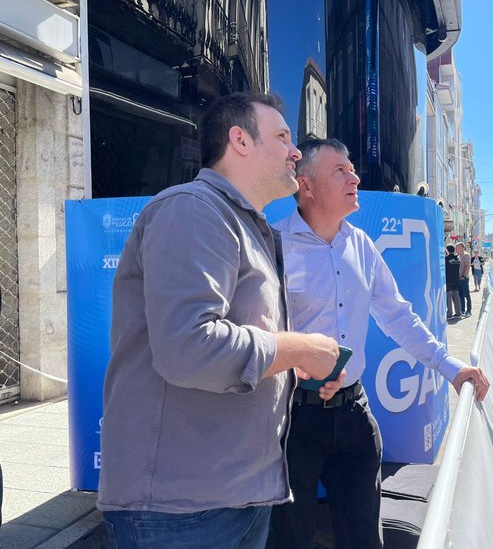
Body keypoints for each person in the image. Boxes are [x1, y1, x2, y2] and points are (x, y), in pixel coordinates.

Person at [97, 93, 342, 548]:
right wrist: (297, 348)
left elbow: (237, 344)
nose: (295, 152)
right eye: (283, 136)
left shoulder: (243, 224)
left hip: (230, 497)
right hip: (180, 511)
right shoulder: (193, 209)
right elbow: (189, 347)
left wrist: (291, 365)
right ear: (240, 140)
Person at [270, 138, 490, 549]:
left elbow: (398, 317)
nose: (354, 177)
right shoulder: (271, 244)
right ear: (307, 186)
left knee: (364, 539)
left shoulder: (362, 246)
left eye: (351, 168)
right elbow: (254, 331)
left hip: (354, 416)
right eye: (340, 171)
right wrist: (297, 362)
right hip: (291, 423)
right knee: (288, 538)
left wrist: (450, 367)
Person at [445, 244, 463, 319]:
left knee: (449, 297)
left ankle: (449, 314)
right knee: (456, 295)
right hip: (456, 279)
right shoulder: (457, 258)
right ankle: (458, 312)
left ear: (448, 250)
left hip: (448, 280)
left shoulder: (446, 259)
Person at [456, 242, 473, 316]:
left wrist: (463, 275)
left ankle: (469, 310)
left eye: (457, 247)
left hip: (464, 278)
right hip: (458, 278)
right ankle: (462, 310)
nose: (456, 249)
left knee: (466, 294)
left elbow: (467, 266)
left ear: (462, 247)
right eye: (456, 247)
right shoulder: (458, 256)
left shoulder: (466, 255)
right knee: (461, 295)